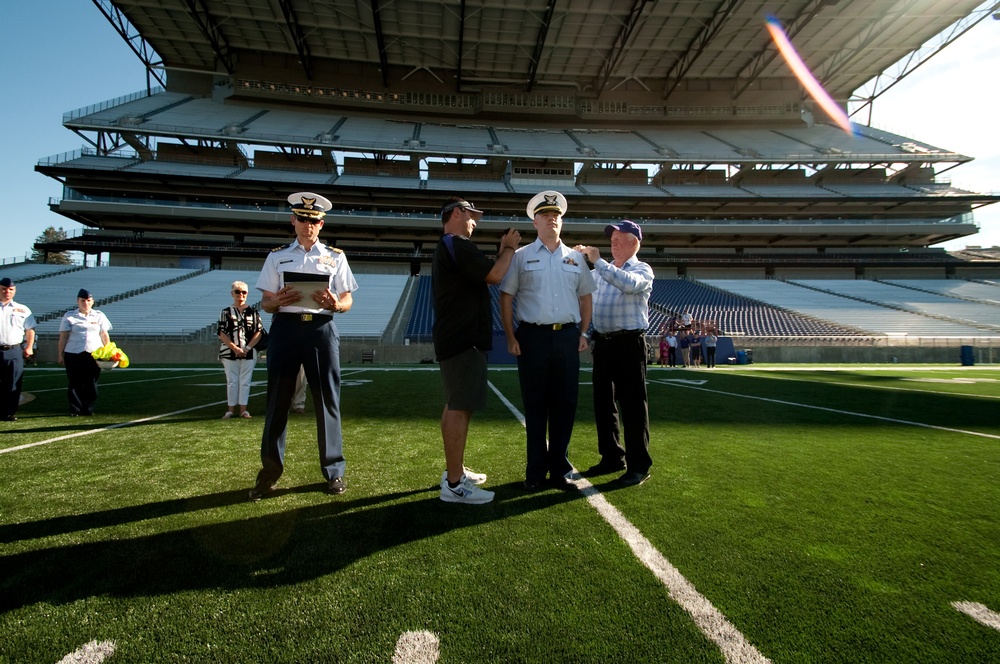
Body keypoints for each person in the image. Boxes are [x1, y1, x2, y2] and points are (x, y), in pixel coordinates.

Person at [248, 191, 359, 501]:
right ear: (292, 220)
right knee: (277, 402)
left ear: (321, 224)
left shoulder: (336, 257)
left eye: (314, 220)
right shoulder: (276, 256)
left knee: (327, 402)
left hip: (322, 329)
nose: (308, 225)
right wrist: (276, 301)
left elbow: (348, 297)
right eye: (302, 219)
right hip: (284, 329)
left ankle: (334, 471)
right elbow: (266, 302)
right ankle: (269, 474)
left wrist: (339, 303)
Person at [500, 190, 596, 492]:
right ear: (535, 221)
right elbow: (506, 297)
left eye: (556, 215)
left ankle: (561, 471)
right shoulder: (520, 257)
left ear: (561, 222)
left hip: (567, 336)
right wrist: (511, 336)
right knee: (536, 406)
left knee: (565, 405)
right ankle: (535, 472)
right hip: (533, 338)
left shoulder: (576, 259)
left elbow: (586, 297)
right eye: (545, 215)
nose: (552, 218)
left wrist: (583, 332)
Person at [433, 197, 520, 504]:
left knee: (455, 404)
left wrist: (500, 255)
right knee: (459, 407)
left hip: (456, 337)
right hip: (462, 338)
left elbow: (487, 272)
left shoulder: (452, 246)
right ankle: (455, 484)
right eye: (472, 216)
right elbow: (495, 275)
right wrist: (508, 247)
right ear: (458, 213)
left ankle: (454, 472)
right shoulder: (457, 244)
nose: (474, 222)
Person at [574, 220, 654, 486]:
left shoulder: (642, 269)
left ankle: (639, 466)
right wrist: (574, 261)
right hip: (604, 344)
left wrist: (598, 262)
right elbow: (591, 305)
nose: (613, 241)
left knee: (632, 405)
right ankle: (611, 456)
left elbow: (629, 285)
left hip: (630, 344)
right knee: (603, 404)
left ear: (634, 242)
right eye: (612, 237)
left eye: (620, 237)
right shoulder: (600, 271)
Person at [57, 289, 113, 416]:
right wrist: (60, 354)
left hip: (94, 353)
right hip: (73, 352)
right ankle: (75, 409)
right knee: (74, 382)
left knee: (91, 382)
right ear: (78, 301)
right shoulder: (69, 315)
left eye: (88, 300)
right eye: (83, 300)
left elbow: (104, 335)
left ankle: (88, 408)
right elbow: (63, 336)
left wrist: (108, 351)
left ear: (92, 302)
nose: (85, 303)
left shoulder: (99, 315)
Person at [218, 280, 263, 419]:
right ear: (232, 293)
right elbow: (221, 332)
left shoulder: (253, 312)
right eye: (237, 291)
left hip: (249, 352)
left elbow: (259, 331)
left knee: (245, 381)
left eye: (244, 292)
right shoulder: (225, 312)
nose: (241, 294)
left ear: (247, 294)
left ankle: (243, 409)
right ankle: (230, 410)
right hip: (229, 352)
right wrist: (235, 348)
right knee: (232, 381)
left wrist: (248, 347)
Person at [0, 277, 36, 422]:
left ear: (14, 291)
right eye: (3, 289)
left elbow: (30, 329)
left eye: (10, 289)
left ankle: (8, 412)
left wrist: (29, 347)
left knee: (13, 382)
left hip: (14, 350)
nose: (7, 292)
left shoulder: (23, 309)